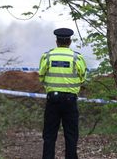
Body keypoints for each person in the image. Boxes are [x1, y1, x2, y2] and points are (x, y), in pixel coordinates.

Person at [39, 28, 87, 159]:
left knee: (49, 135)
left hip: (52, 100)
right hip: (70, 101)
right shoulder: (77, 57)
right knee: (71, 135)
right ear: (70, 41)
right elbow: (82, 77)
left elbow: (41, 76)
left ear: (56, 41)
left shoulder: (47, 56)